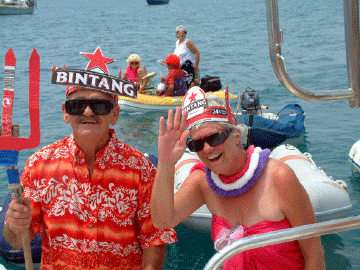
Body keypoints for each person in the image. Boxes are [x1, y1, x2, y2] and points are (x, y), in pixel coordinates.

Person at [3, 47, 177, 270]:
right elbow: (18, 240)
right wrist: (15, 224)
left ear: (114, 114)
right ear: (66, 113)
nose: (87, 112)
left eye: (99, 106)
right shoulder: (39, 165)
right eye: (77, 105)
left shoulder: (140, 169)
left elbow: (155, 237)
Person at [150, 86, 326, 269]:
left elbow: (314, 253)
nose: (207, 149)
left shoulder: (278, 177)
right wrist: (166, 161)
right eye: (197, 144)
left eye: (215, 138)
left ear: (235, 136)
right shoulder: (202, 182)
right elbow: (163, 221)